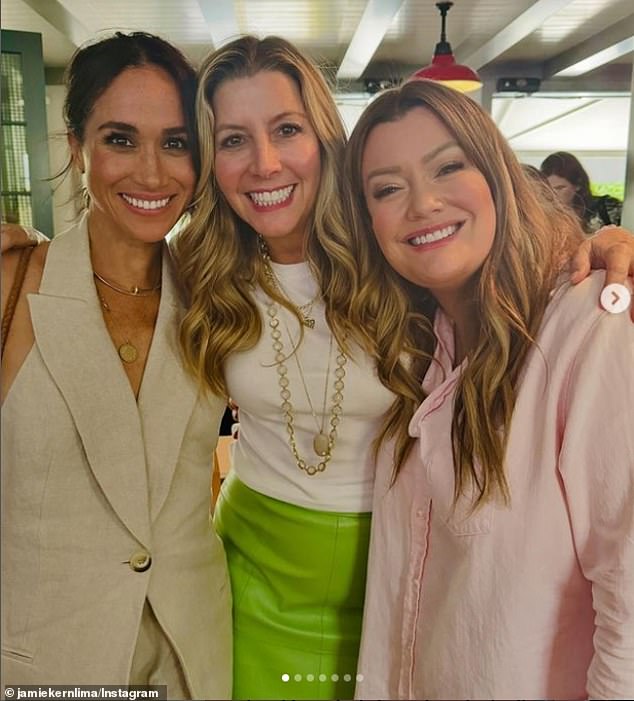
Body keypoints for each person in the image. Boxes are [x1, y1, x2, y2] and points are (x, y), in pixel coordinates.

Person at [4, 33, 634, 701]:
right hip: (253, 580)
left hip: (404, 573)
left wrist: (597, 245)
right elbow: (105, 278)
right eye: (233, 140)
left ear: (325, 137)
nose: (264, 162)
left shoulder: (398, 251)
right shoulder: (203, 271)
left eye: (286, 129)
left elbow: (496, 256)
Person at [342, 79, 634, 699]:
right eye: (388, 189)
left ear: (499, 177)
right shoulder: (415, 350)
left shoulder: (590, 328)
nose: (421, 203)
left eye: (448, 167)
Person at [1, 33, 231, 699]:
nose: (153, 173)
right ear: (76, 147)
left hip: (193, 660)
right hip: (46, 663)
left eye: (177, 141)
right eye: (120, 139)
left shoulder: (218, 294)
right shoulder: (14, 285)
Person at [540, 150, 623, 234]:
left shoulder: (608, 209)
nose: (553, 194)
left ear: (578, 185)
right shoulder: (543, 216)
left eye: (560, 188)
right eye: (548, 189)